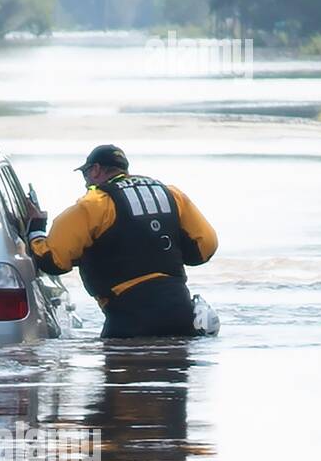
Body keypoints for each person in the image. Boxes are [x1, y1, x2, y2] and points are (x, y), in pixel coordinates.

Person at [26, 144, 218, 338]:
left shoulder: (94, 204)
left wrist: (36, 230)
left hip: (129, 318)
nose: (85, 183)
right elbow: (206, 248)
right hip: (180, 310)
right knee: (176, 365)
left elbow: (53, 261)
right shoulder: (172, 195)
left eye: (85, 173)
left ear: (96, 170)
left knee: (123, 363)